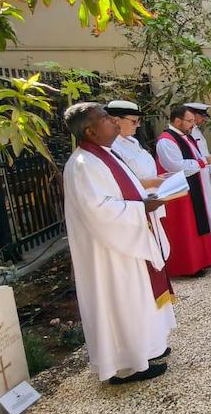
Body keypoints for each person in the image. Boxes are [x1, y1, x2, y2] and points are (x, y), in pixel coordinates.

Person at [62, 103, 175, 384]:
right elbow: (99, 210)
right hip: (110, 252)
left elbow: (128, 189)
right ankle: (127, 364)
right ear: (90, 131)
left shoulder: (105, 155)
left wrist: (147, 200)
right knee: (121, 301)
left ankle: (148, 348)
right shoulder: (82, 165)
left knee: (137, 298)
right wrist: (143, 209)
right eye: (106, 118)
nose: (114, 122)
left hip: (128, 240)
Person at [156, 104, 211, 277]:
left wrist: (205, 161)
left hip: (196, 186)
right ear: (177, 121)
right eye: (190, 121)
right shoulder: (166, 140)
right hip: (181, 192)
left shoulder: (186, 137)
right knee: (186, 227)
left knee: (199, 223)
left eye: (194, 121)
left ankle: (204, 259)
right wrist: (204, 162)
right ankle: (189, 265)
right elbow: (176, 166)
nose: (193, 124)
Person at [107, 100, 168, 249]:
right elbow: (122, 183)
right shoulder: (112, 147)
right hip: (136, 206)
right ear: (116, 120)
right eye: (134, 121)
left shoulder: (132, 141)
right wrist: (154, 182)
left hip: (150, 199)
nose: (138, 125)